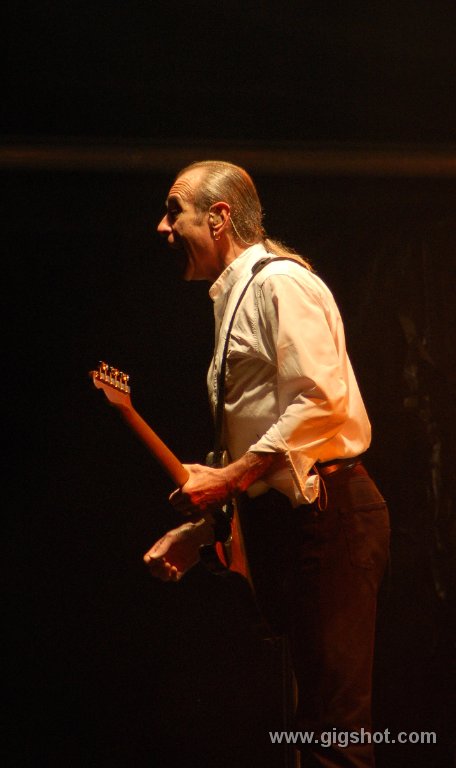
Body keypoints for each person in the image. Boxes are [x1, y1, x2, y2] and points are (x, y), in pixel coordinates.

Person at [144, 160, 390, 768]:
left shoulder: (280, 284)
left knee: (335, 731)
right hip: (294, 521)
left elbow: (321, 402)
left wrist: (229, 478)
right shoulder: (236, 296)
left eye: (175, 211)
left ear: (219, 216)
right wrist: (204, 528)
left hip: (329, 514)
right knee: (310, 726)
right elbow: (258, 437)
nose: (163, 227)